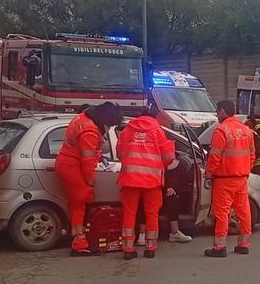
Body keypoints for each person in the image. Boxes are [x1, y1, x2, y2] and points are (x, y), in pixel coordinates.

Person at [55, 102, 119, 256]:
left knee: (77, 203)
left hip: (66, 162)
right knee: (81, 201)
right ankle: (79, 242)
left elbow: (83, 150)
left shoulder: (83, 118)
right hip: (73, 166)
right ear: (105, 121)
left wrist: (98, 155)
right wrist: (91, 181)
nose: (109, 129)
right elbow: (87, 159)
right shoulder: (90, 130)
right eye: (110, 126)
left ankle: (78, 237)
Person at [117, 107, 175, 260]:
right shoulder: (158, 131)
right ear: (154, 116)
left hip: (130, 179)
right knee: (152, 213)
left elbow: (119, 154)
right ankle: (150, 247)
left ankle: (128, 248)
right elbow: (168, 158)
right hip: (152, 180)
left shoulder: (127, 131)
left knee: (129, 213)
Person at [205, 99, 254, 258]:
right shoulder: (246, 130)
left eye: (217, 111)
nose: (217, 115)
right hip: (241, 177)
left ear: (223, 111)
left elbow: (214, 156)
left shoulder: (221, 130)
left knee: (222, 212)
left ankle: (219, 247)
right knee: (243, 211)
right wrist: (245, 169)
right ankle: (244, 244)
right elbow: (252, 154)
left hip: (224, 178)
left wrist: (209, 173)